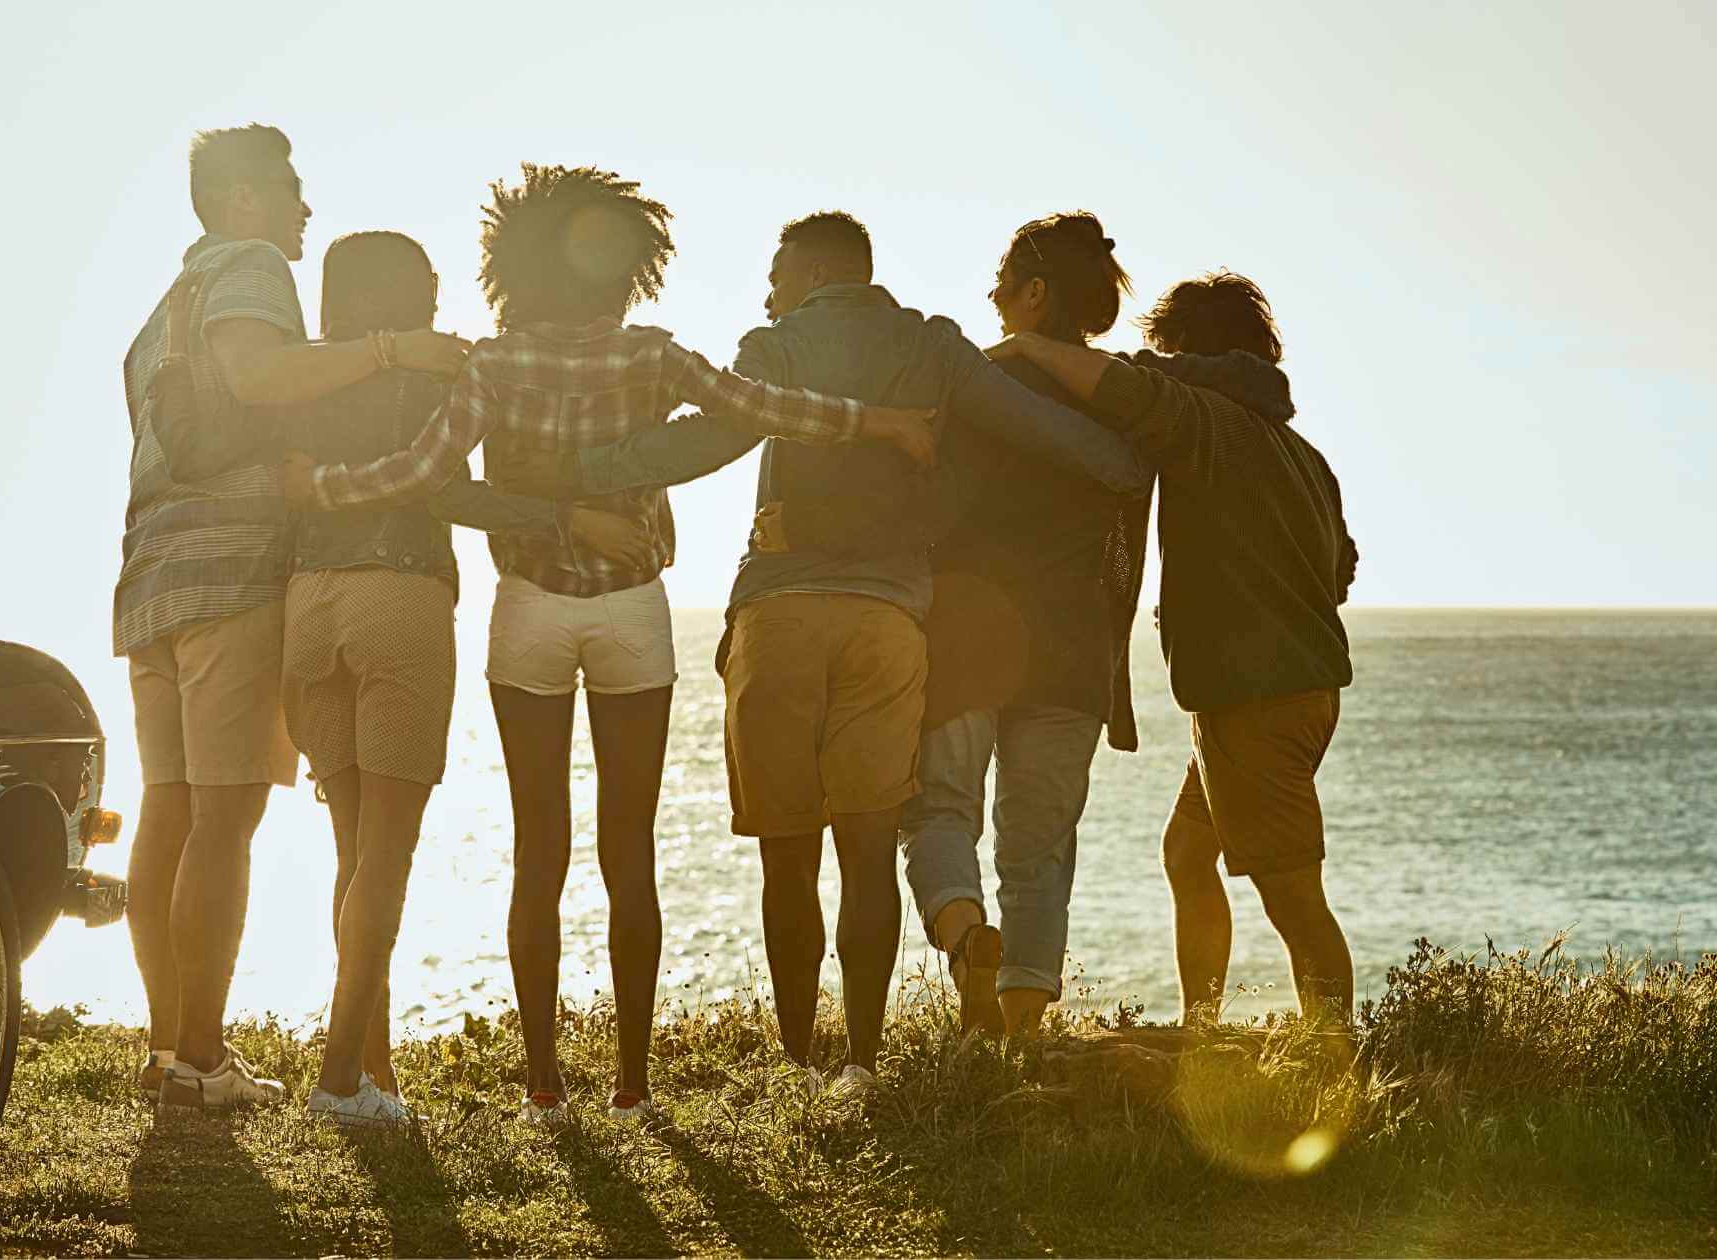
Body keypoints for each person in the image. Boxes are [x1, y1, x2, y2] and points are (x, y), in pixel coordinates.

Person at [282, 167, 937, 1126]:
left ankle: (543, 1084)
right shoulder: (652, 356)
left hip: (530, 610)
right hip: (632, 609)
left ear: (514, 272)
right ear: (628, 266)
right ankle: (633, 1085)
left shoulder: (492, 366)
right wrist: (879, 422)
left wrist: (321, 486)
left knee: (536, 850)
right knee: (629, 851)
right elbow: (765, 410)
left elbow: (422, 477)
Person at [495, 211, 1153, 1090]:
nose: (767, 292)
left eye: (776, 275)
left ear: (808, 275)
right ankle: (864, 1064)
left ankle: (800, 1058)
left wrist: (584, 471)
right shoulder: (938, 348)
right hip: (889, 617)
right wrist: (1123, 459)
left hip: (780, 607)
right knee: (871, 845)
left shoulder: (778, 342)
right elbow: (1065, 441)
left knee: (787, 849)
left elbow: (713, 437)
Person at [115, 124, 469, 1112]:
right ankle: (199, 1061)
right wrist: (396, 349)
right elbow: (259, 380)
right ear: (241, 201)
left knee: (171, 809)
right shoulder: (252, 269)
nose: (304, 209)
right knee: (225, 817)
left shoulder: (156, 316)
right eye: (289, 190)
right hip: (233, 572)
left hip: (150, 577)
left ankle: (172, 1051)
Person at [281, 230, 652, 1129]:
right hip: (397, 601)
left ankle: (378, 1080)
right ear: (407, 295)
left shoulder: (301, 382)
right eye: (431, 286)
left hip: (308, 607)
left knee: (349, 852)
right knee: (387, 857)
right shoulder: (443, 378)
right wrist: (566, 518)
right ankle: (337, 1081)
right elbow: (454, 493)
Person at [986, 271, 1360, 1024]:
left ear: (1190, 351)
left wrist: (1024, 345)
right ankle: (1203, 1027)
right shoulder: (1300, 453)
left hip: (1254, 697)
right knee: (1188, 855)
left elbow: (1122, 388)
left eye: (1166, 349)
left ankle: (1336, 1060)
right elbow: (1341, 570)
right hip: (1286, 692)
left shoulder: (1204, 420)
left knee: (1293, 898)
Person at [895, 212, 1152, 1036]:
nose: (992, 296)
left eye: (1003, 283)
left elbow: (926, 506)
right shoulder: (1121, 399)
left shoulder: (969, 386)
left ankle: (969, 943)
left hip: (970, 631)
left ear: (1035, 294)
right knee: (1039, 850)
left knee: (940, 810)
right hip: (1072, 645)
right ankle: (1019, 1035)